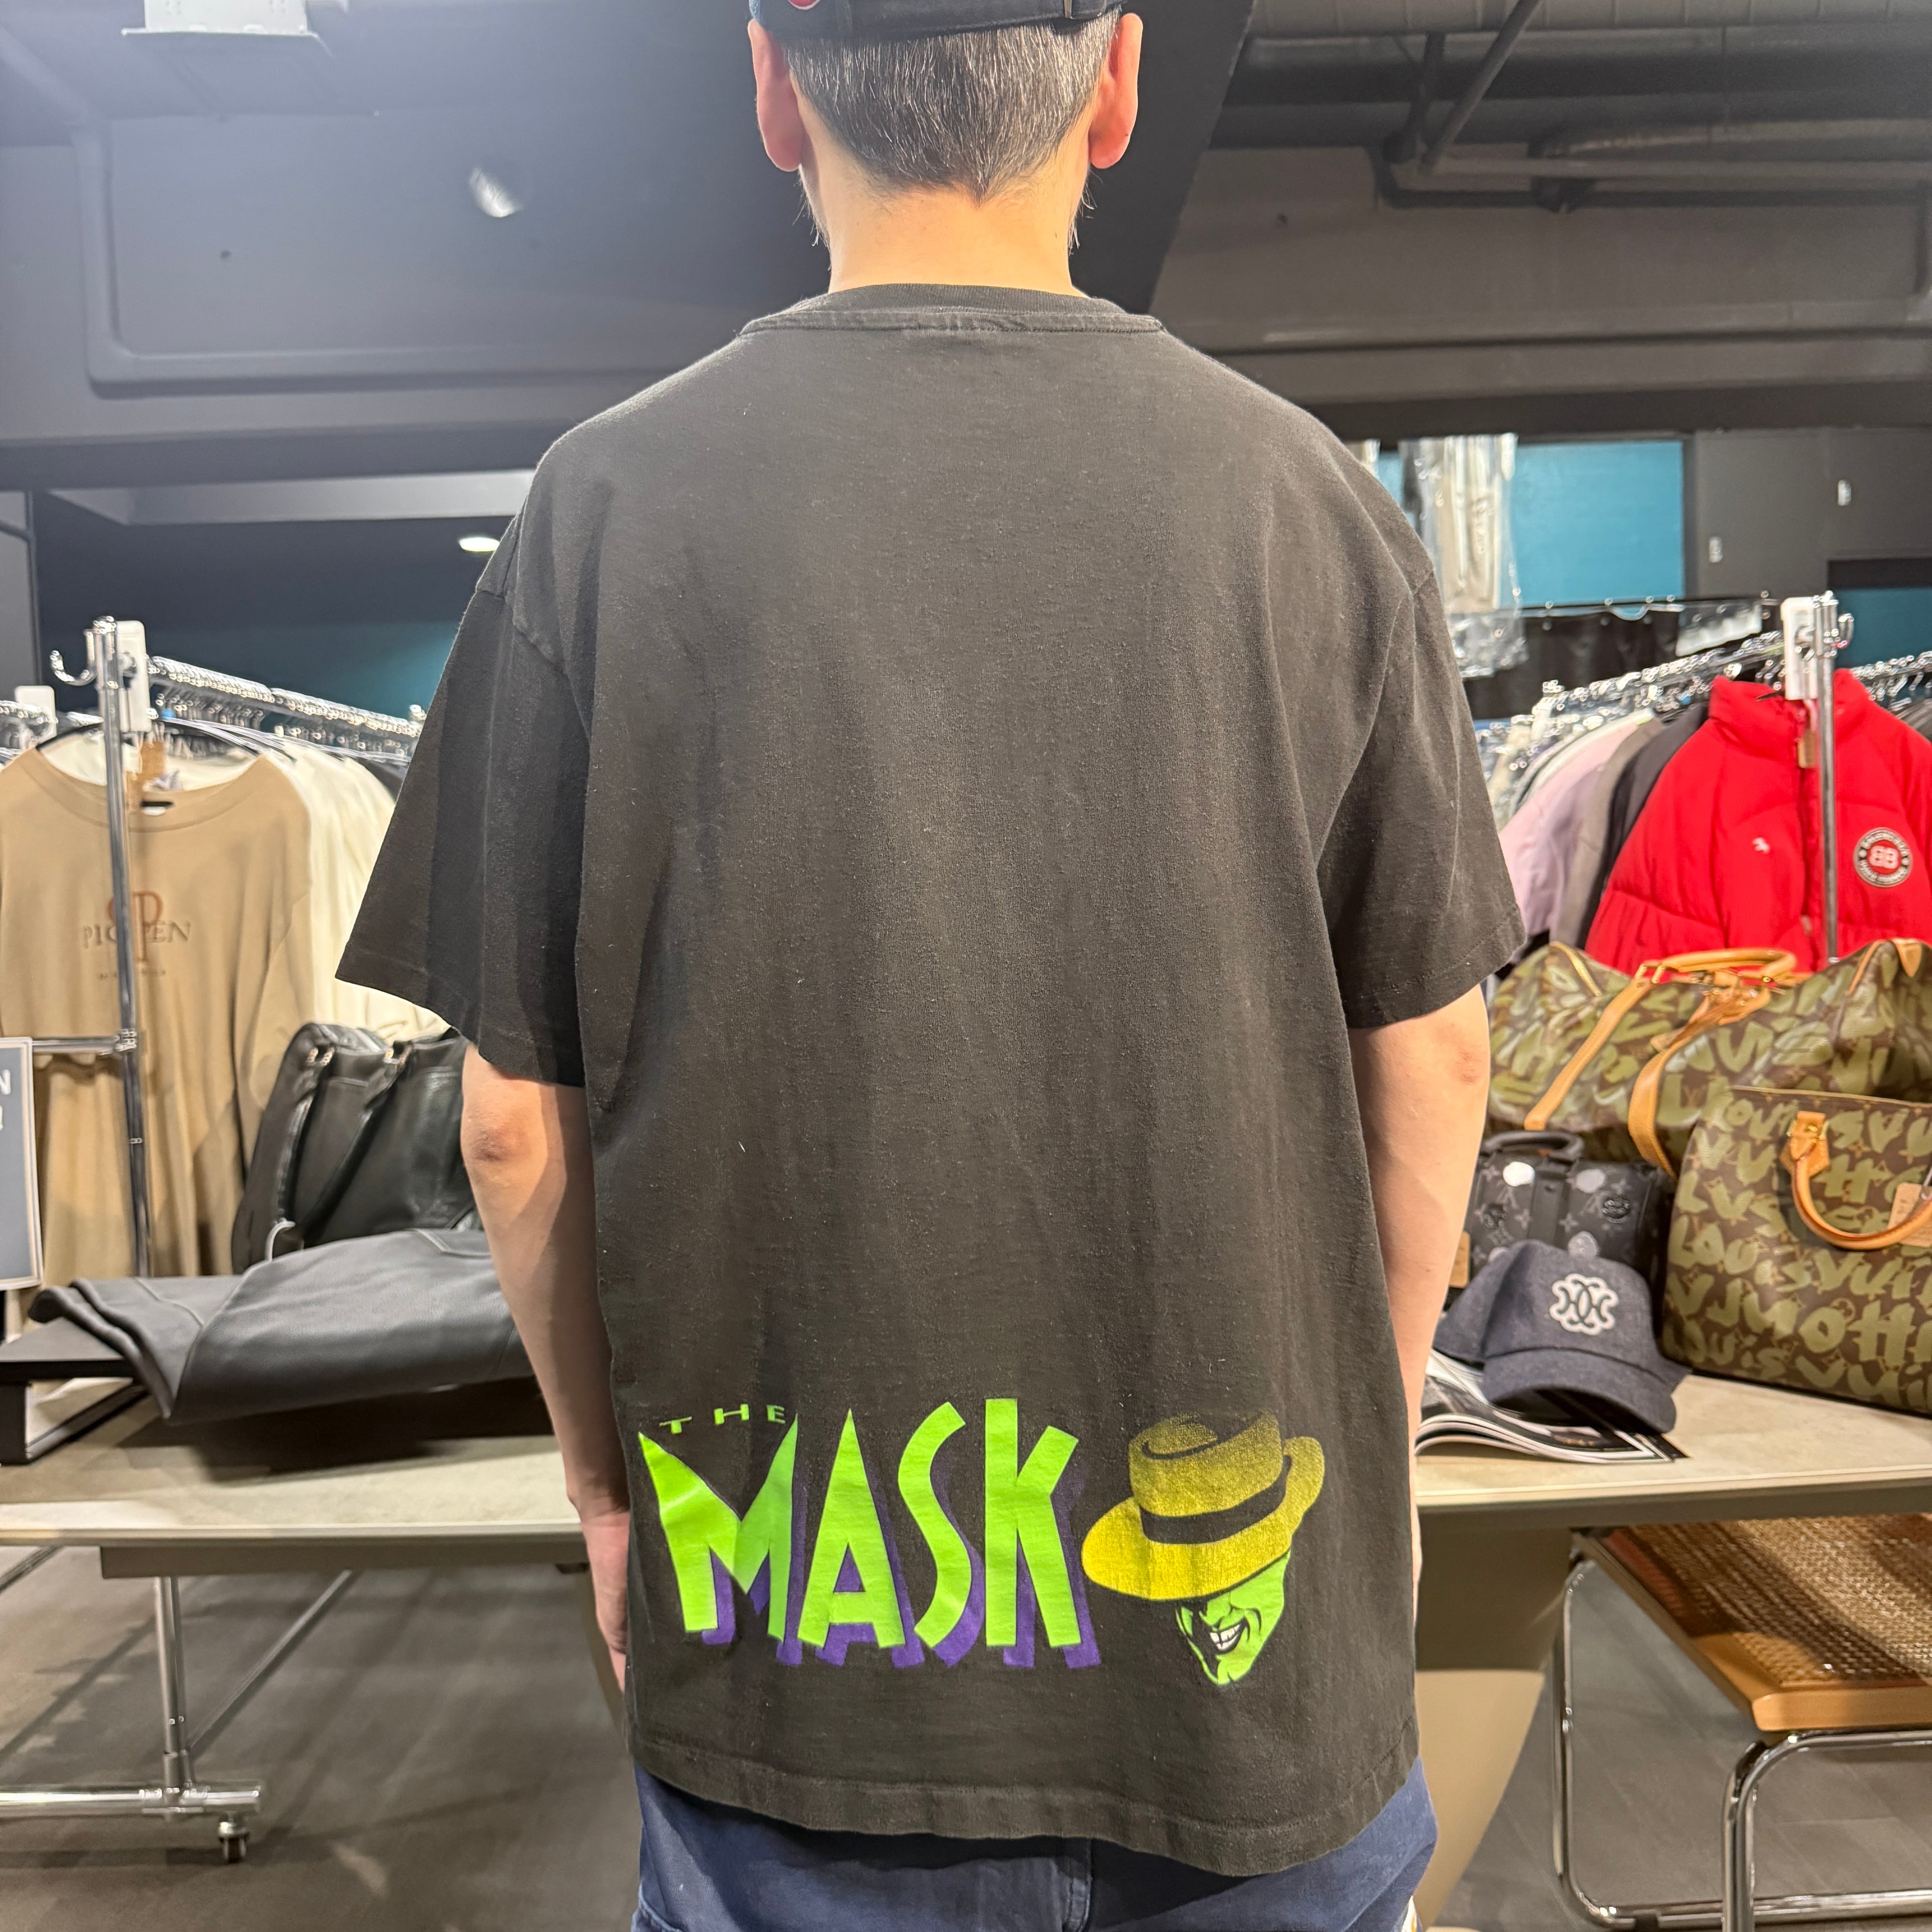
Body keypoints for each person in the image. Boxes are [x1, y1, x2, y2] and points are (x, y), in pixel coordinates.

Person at [340, 3, 1519, 1926]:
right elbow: (1438, 1060)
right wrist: (1369, 1463)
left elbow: (511, 1132)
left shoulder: (601, 516)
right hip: (1240, 1704)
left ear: (771, 89)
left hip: (796, 1672)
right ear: (1117, 84)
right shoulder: (1312, 506)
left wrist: (608, 1496)